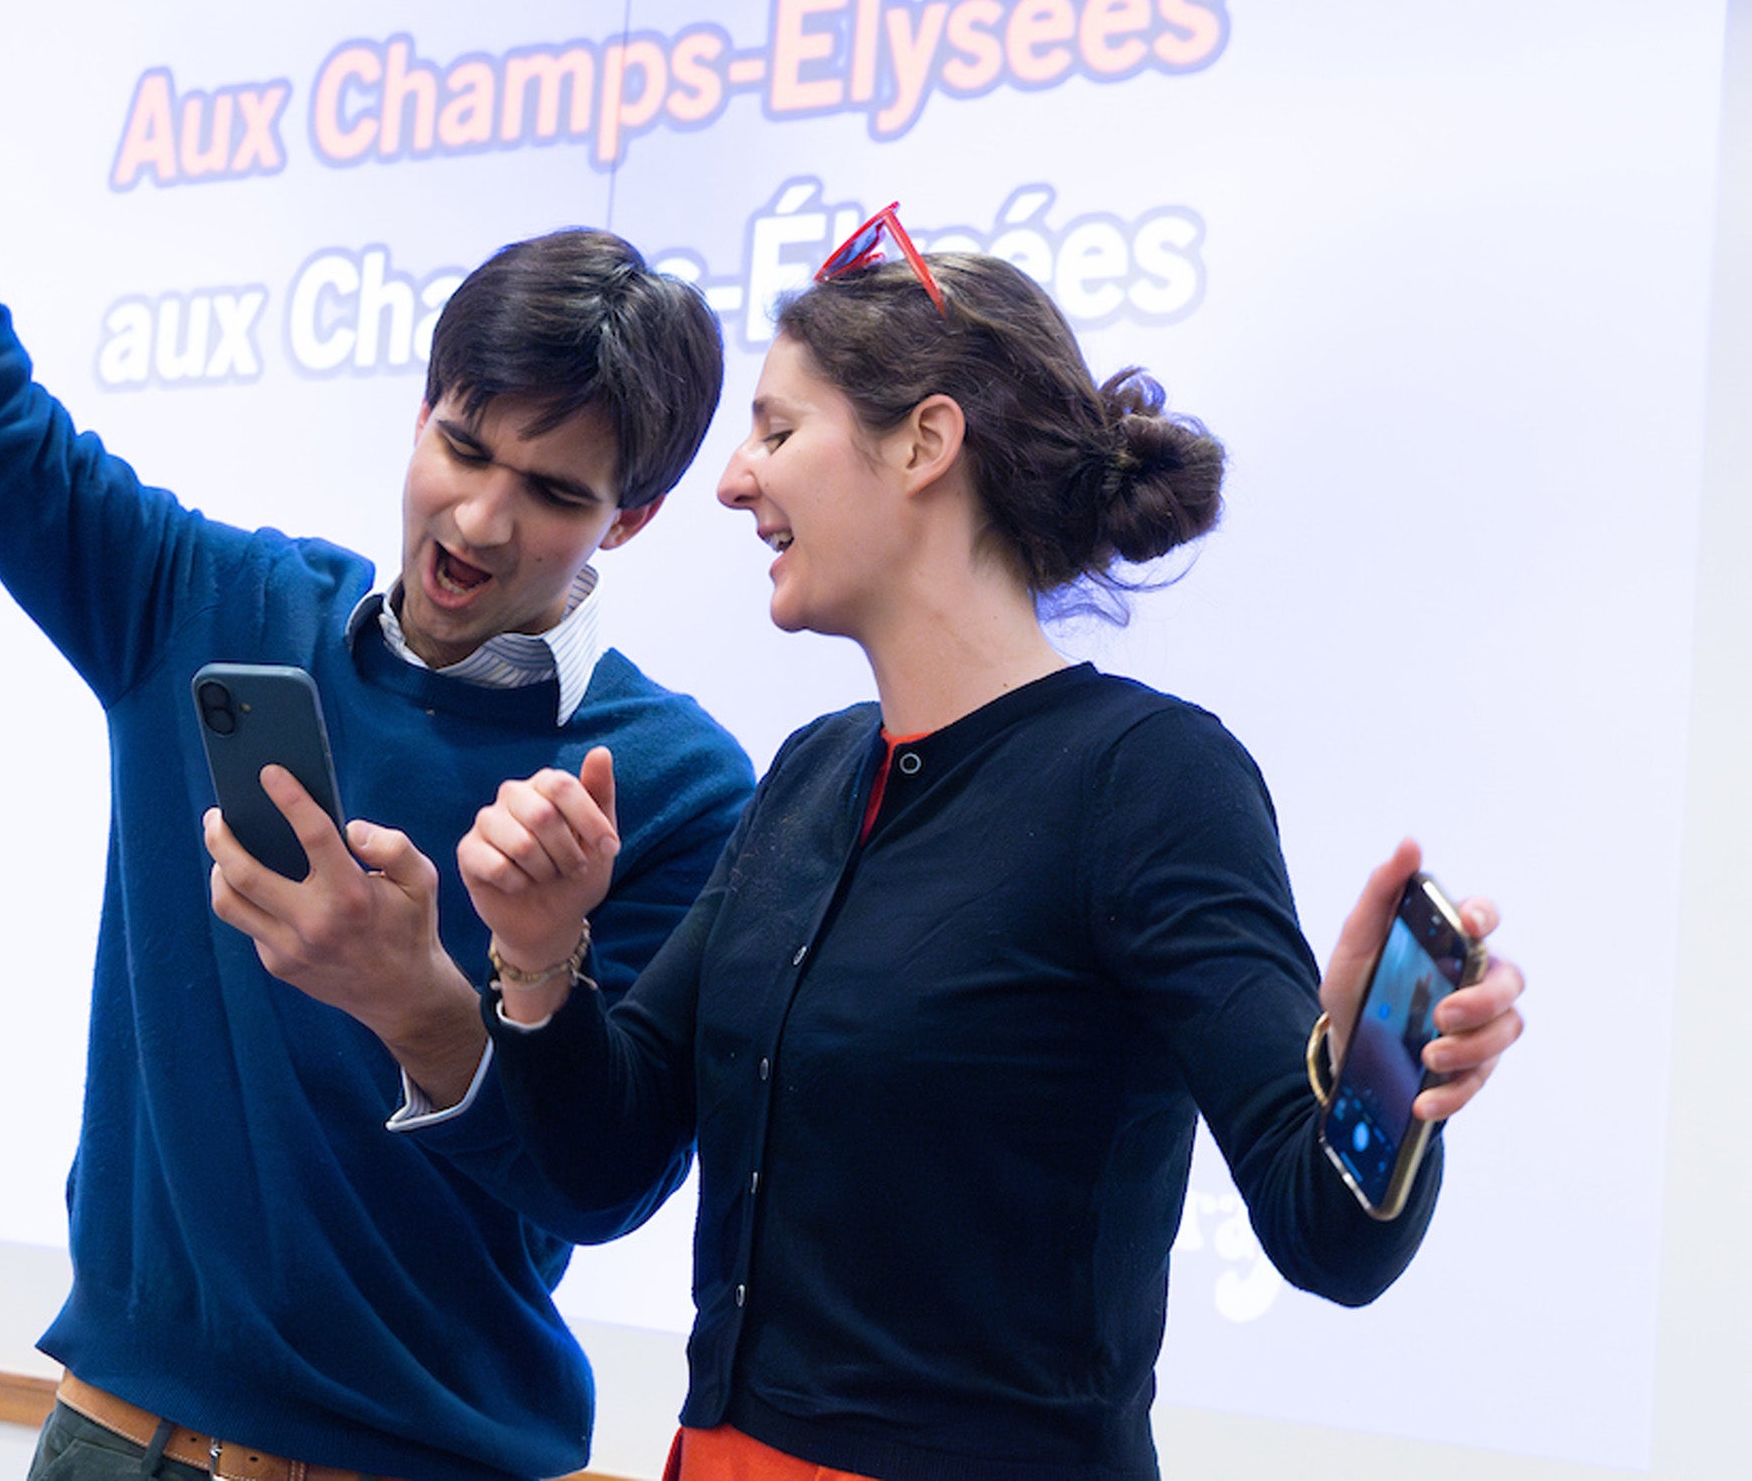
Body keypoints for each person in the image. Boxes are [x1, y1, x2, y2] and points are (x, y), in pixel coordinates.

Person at [0, 0, 754, 1481]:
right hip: (108, 1432)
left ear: (629, 524)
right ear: (423, 409)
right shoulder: (209, 607)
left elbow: (603, 1183)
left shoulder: (660, 786)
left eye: (553, 491)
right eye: (464, 444)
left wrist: (437, 997)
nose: (484, 517)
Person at [419, 214, 1529, 1479]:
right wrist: (541, 952)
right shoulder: (811, 772)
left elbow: (1331, 1233)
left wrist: (1376, 1067)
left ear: (925, 443)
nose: (734, 479)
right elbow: (598, 1159)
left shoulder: (1149, 778)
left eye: (778, 430)